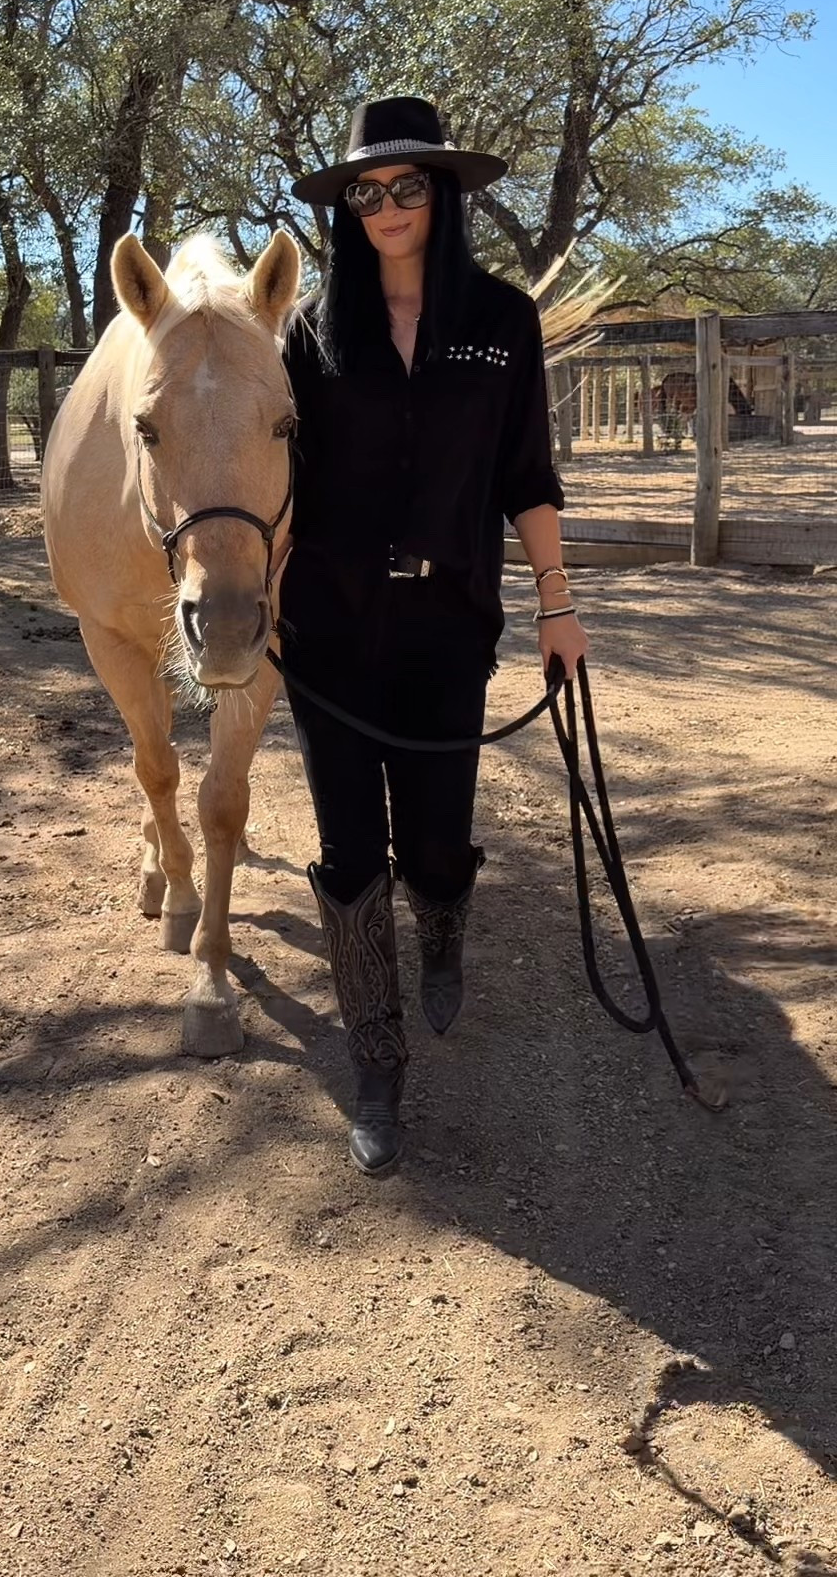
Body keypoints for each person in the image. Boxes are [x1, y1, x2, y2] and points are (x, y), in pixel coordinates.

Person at [279, 95, 588, 1176]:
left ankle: (446, 923)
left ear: (443, 195)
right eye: (367, 191)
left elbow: (525, 476)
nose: (387, 205)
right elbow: (275, 477)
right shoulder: (311, 331)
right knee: (350, 852)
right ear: (348, 208)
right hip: (325, 627)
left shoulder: (502, 323)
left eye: (409, 186)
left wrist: (557, 600)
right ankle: (377, 1056)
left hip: (448, 625)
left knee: (438, 838)